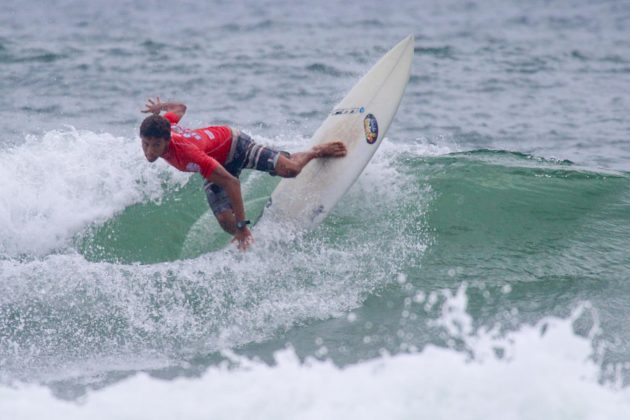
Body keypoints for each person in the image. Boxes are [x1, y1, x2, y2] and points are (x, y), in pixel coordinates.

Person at [139, 97, 347, 251]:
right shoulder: (166, 125)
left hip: (236, 145)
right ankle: (279, 160)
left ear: (167, 140)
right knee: (225, 223)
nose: (149, 151)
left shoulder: (186, 154)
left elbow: (232, 183)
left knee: (291, 170)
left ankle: (314, 152)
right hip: (216, 161)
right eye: (146, 144)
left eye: (156, 145)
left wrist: (242, 225)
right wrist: (160, 108)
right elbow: (180, 108)